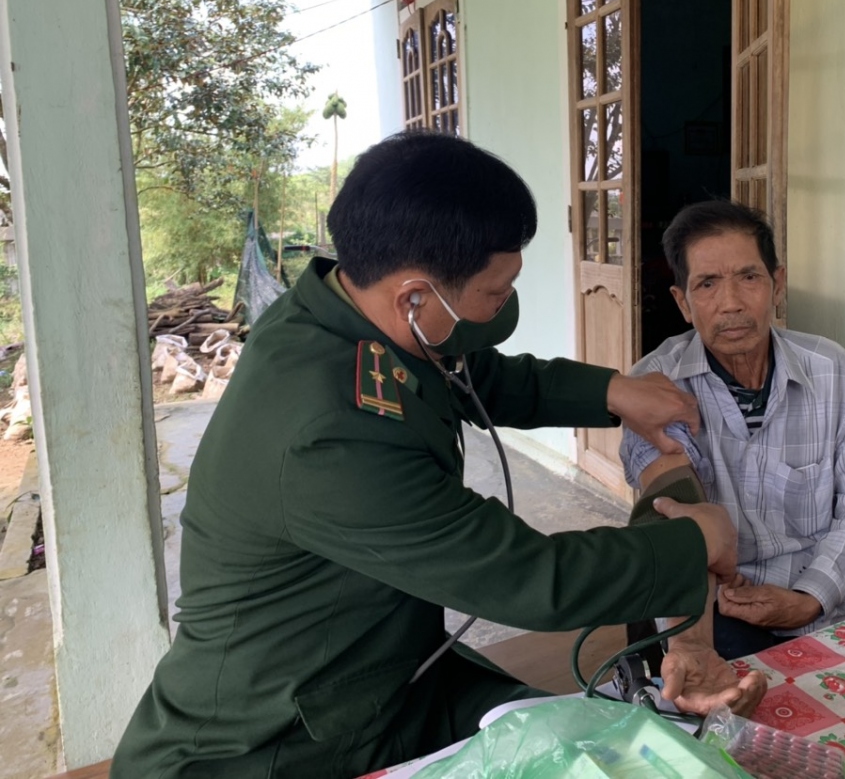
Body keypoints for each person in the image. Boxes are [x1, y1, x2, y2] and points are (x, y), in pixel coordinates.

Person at [111, 131, 744, 779]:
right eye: (495, 293)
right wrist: (694, 541)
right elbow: (523, 577)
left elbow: (469, 372)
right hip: (274, 737)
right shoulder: (329, 431)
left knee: (589, 740)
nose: (503, 306)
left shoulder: (341, 312)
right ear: (414, 296)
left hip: (383, 672)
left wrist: (611, 391)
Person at [621, 200, 845, 669]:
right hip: (707, 613)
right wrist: (695, 644)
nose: (731, 303)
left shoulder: (835, 372)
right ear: (682, 303)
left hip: (822, 605)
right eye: (707, 284)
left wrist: (811, 597)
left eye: (748, 277)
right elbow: (674, 516)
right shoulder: (655, 386)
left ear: (778, 284)